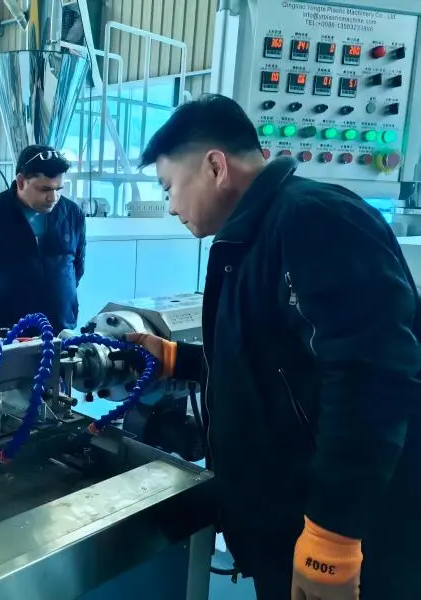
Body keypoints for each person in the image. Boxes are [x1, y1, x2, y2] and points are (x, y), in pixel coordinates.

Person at [128, 95, 421, 600]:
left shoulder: (315, 219)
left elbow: (371, 381)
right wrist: (179, 361)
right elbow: (276, 365)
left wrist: (333, 536)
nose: (171, 205)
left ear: (215, 166)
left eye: (170, 186)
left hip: (349, 532)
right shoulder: (252, 238)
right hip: (285, 522)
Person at [0, 144, 86, 336]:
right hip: (7, 330)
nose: (53, 197)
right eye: (44, 189)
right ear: (20, 182)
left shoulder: (72, 214)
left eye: (59, 189)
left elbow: (77, 266)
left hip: (59, 327)